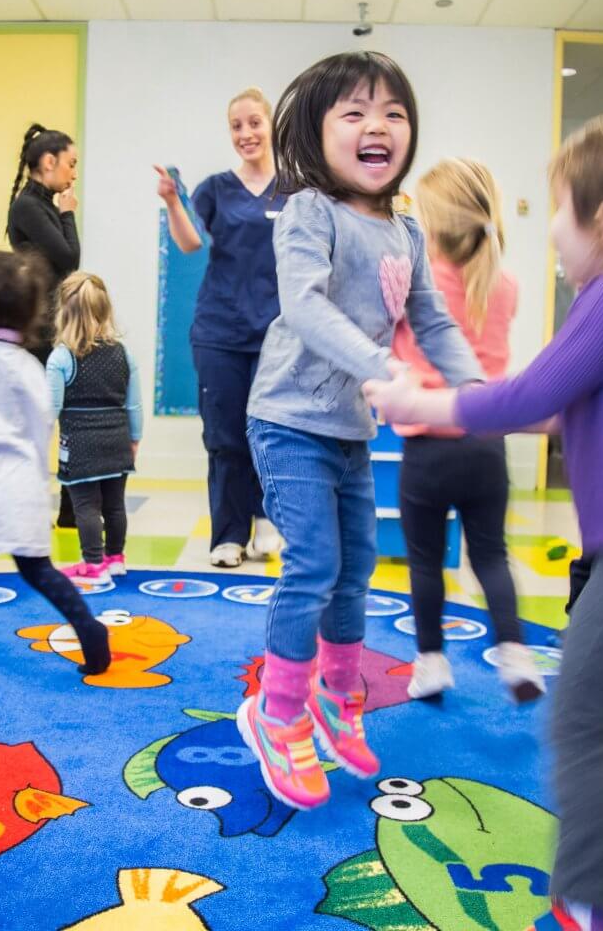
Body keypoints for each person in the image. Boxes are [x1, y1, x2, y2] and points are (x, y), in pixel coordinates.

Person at [364, 112, 603, 931]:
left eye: (557, 207)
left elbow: (531, 396)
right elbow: (559, 414)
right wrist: (470, 403)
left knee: (580, 712)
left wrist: (419, 401)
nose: (547, 230)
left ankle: (586, 900)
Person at [237, 51, 483, 812]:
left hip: (346, 428)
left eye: (394, 113)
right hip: (286, 419)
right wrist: (382, 368)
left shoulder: (405, 231)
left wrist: (474, 389)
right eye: (354, 112)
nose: (377, 125)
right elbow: (305, 307)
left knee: (356, 568)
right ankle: (276, 711)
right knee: (311, 561)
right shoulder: (310, 211)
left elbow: (432, 320)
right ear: (316, 132)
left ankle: (337, 695)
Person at [391, 158, 544, 703]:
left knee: (426, 561)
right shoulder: (504, 285)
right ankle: (515, 651)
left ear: (431, 224)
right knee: (492, 555)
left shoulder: (418, 282)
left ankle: (431, 663)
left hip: (428, 447)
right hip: (486, 445)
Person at [155, 87, 283, 568]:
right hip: (220, 331)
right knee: (225, 435)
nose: (246, 133)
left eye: (254, 122)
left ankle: (265, 519)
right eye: (236, 126)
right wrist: (172, 201)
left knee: (269, 432)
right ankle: (227, 536)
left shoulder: (294, 191)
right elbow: (190, 243)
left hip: (276, 336)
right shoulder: (214, 188)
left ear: (270, 126)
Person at [0, 250, 110, 676]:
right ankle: (90, 632)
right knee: (39, 571)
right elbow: (43, 422)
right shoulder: (28, 367)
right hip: (20, 484)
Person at [47, 272, 142, 585]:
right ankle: (116, 559)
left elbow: (52, 408)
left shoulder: (62, 357)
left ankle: (94, 565)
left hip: (80, 445)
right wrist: (134, 438)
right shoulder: (122, 353)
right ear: (105, 311)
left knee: (86, 506)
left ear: (64, 313)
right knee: (115, 505)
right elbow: (133, 404)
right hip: (117, 440)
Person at [7, 123, 80, 528]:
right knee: (39, 418)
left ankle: (71, 509)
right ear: (48, 162)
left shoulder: (42, 205)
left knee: (67, 416)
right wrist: (69, 215)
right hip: (38, 331)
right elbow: (68, 259)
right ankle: (26, 506)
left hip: (57, 327)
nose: (73, 174)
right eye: (70, 164)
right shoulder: (29, 207)